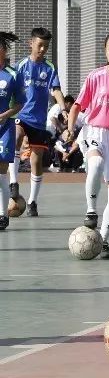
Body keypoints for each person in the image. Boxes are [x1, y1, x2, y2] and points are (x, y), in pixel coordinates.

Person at [62, 31, 109, 255]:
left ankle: (103, 240)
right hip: (95, 132)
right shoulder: (95, 76)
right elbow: (77, 106)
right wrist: (71, 129)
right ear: (105, 51)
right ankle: (91, 211)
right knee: (96, 163)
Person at [13, 27, 67, 217]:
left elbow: (56, 90)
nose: (43, 49)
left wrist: (63, 108)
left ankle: (32, 202)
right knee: (17, 135)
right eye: (40, 45)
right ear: (31, 43)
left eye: (46, 46)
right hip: (21, 114)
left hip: (38, 120)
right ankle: (13, 183)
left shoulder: (49, 68)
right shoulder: (20, 66)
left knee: (37, 160)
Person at [0, 32, 19, 230]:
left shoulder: (13, 75)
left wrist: (6, 115)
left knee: (0, 174)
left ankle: (2, 215)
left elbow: (20, 103)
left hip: (5, 128)